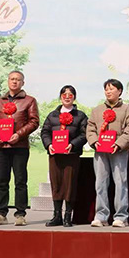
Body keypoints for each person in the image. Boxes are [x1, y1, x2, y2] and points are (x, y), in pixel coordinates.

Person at [0, 70, 39, 227]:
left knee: (20, 181)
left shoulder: (29, 101)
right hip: (1, 147)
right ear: (8, 81)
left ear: (23, 83)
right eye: (12, 79)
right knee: (1, 181)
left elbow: (34, 122)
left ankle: (20, 214)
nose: (14, 82)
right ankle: (0, 214)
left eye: (18, 79)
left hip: (20, 147)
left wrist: (18, 134)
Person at [85, 78, 129, 228]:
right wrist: (95, 142)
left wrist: (118, 144)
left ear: (119, 91)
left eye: (111, 89)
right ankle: (101, 216)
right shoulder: (97, 110)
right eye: (106, 89)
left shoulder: (128, 110)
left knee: (121, 183)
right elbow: (90, 128)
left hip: (119, 151)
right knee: (100, 184)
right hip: (100, 152)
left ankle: (121, 216)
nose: (108, 91)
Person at [40, 85, 88, 228]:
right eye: (64, 94)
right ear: (60, 97)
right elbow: (45, 132)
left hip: (71, 156)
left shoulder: (80, 115)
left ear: (74, 97)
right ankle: (57, 216)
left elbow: (84, 134)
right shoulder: (52, 115)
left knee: (69, 185)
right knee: (56, 184)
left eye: (70, 94)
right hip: (55, 156)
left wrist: (72, 145)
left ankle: (68, 215)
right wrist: (49, 145)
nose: (67, 97)